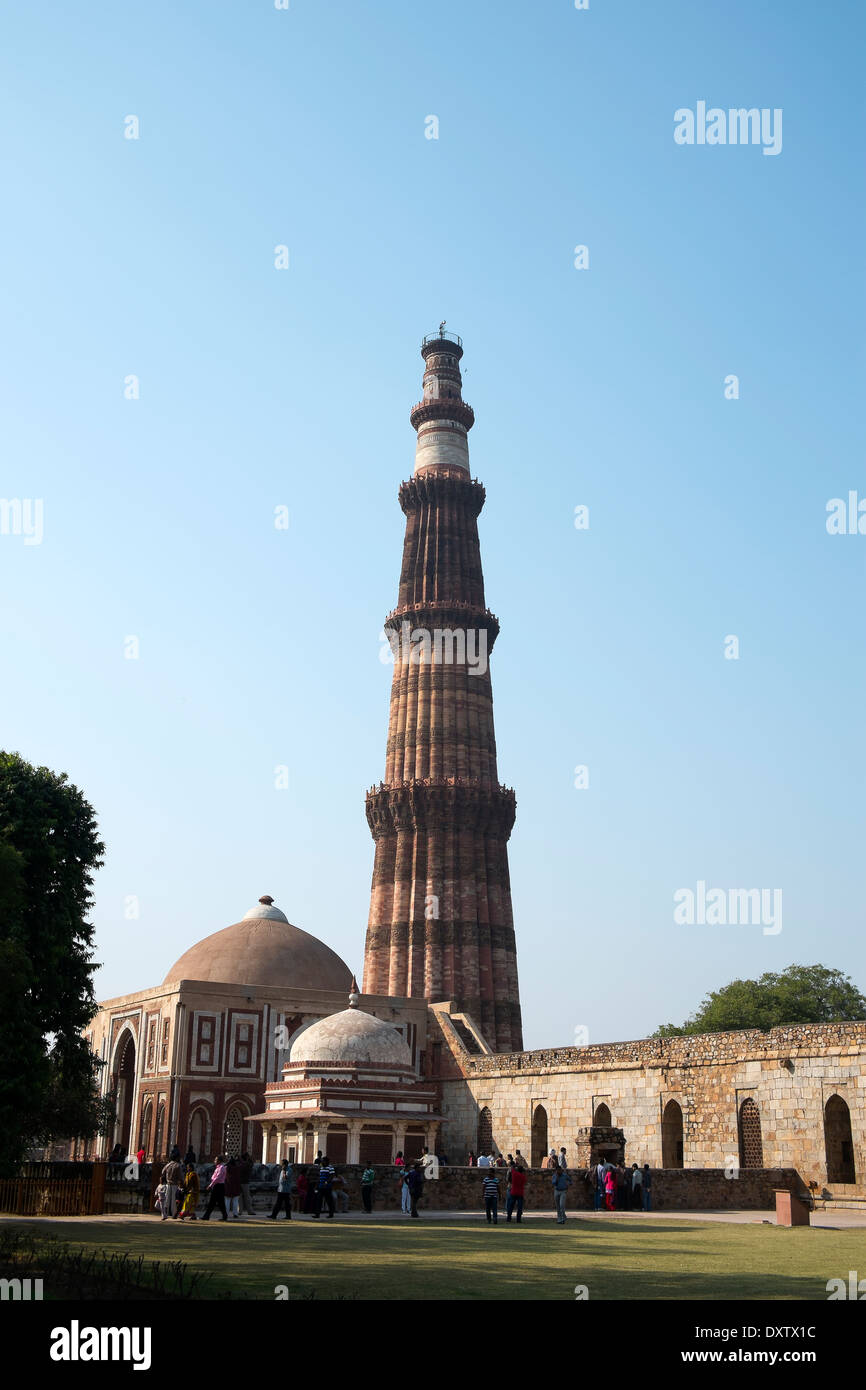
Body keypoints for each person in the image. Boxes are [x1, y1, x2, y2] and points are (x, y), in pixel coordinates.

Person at [201, 1155, 228, 1221]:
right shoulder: (218, 1168)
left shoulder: (221, 1167)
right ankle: (224, 1216)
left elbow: (217, 1178)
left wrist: (210, 1185)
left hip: (218, 1186)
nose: (214, 1161)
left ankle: (207, 1216)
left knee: (214, 1202)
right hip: (217, 1186)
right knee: (218, 1202)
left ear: (219, 1161)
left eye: (216, 1160)